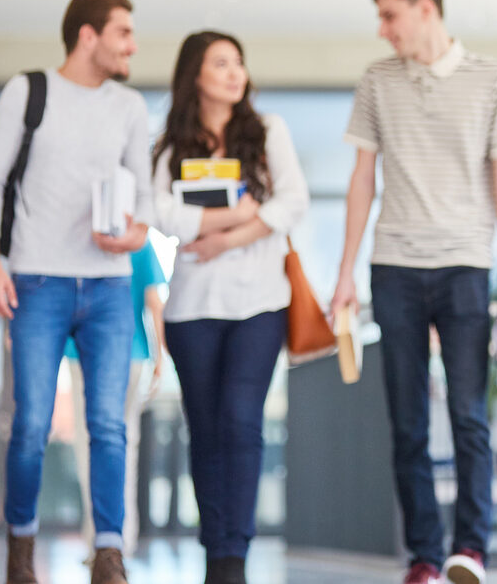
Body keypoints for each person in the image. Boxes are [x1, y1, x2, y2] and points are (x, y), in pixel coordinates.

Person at [330, 0, 497, 584]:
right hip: (394, 268)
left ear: (425, 10)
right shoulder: (376, 81)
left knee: (469, 415)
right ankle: (422, 556)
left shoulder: (491, 78)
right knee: (408, 420)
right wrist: (344, 274)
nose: (383, 30)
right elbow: (362, 179)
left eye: (390, 16)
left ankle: (469, 550)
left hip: (466, 266)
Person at [0, 0, 153, 584]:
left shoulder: (129, 106)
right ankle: (21, 546)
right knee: (30, 424)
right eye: (122, 32)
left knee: (108, 424)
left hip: (108, 287)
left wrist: (136, 234)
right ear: (87, 35)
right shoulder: (29, 92)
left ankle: (108, 551)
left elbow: (146, 196)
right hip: (37, 280)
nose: (131, 44)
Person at [151, 31, 309, 584]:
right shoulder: (169, 144)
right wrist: (235, 215)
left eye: (238, 62)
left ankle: (232, 558)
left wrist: (225, 239)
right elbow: (161, 213)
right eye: (221, 63)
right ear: (195, 73)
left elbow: (294, 201)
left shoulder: (268, 132)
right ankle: (213, 547)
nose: (234, 72)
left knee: (242, 423)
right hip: (191, 311)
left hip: (260, 304)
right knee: (207, 430)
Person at [67, 238, 168, 557]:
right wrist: (159, 356)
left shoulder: (87, 237)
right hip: (132, 353)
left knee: (88, 445)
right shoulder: (140, 240)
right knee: (124, 444)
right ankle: (121, 540)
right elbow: (154, 302)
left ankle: (99, 540)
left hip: (86, 353)